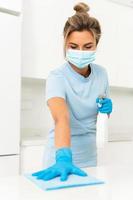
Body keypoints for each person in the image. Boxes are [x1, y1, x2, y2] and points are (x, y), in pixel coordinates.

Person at [32, 2, 113, 181]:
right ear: (65, 44)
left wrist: (106, 112)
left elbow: (98, 118)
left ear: (96, 45)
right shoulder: (57, 77)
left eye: (88, 46)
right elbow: (61, 118)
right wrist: (63, 157)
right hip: (60, 159)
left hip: (90, 158)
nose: (81, 52)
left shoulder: (102, 74)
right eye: (74, 46)